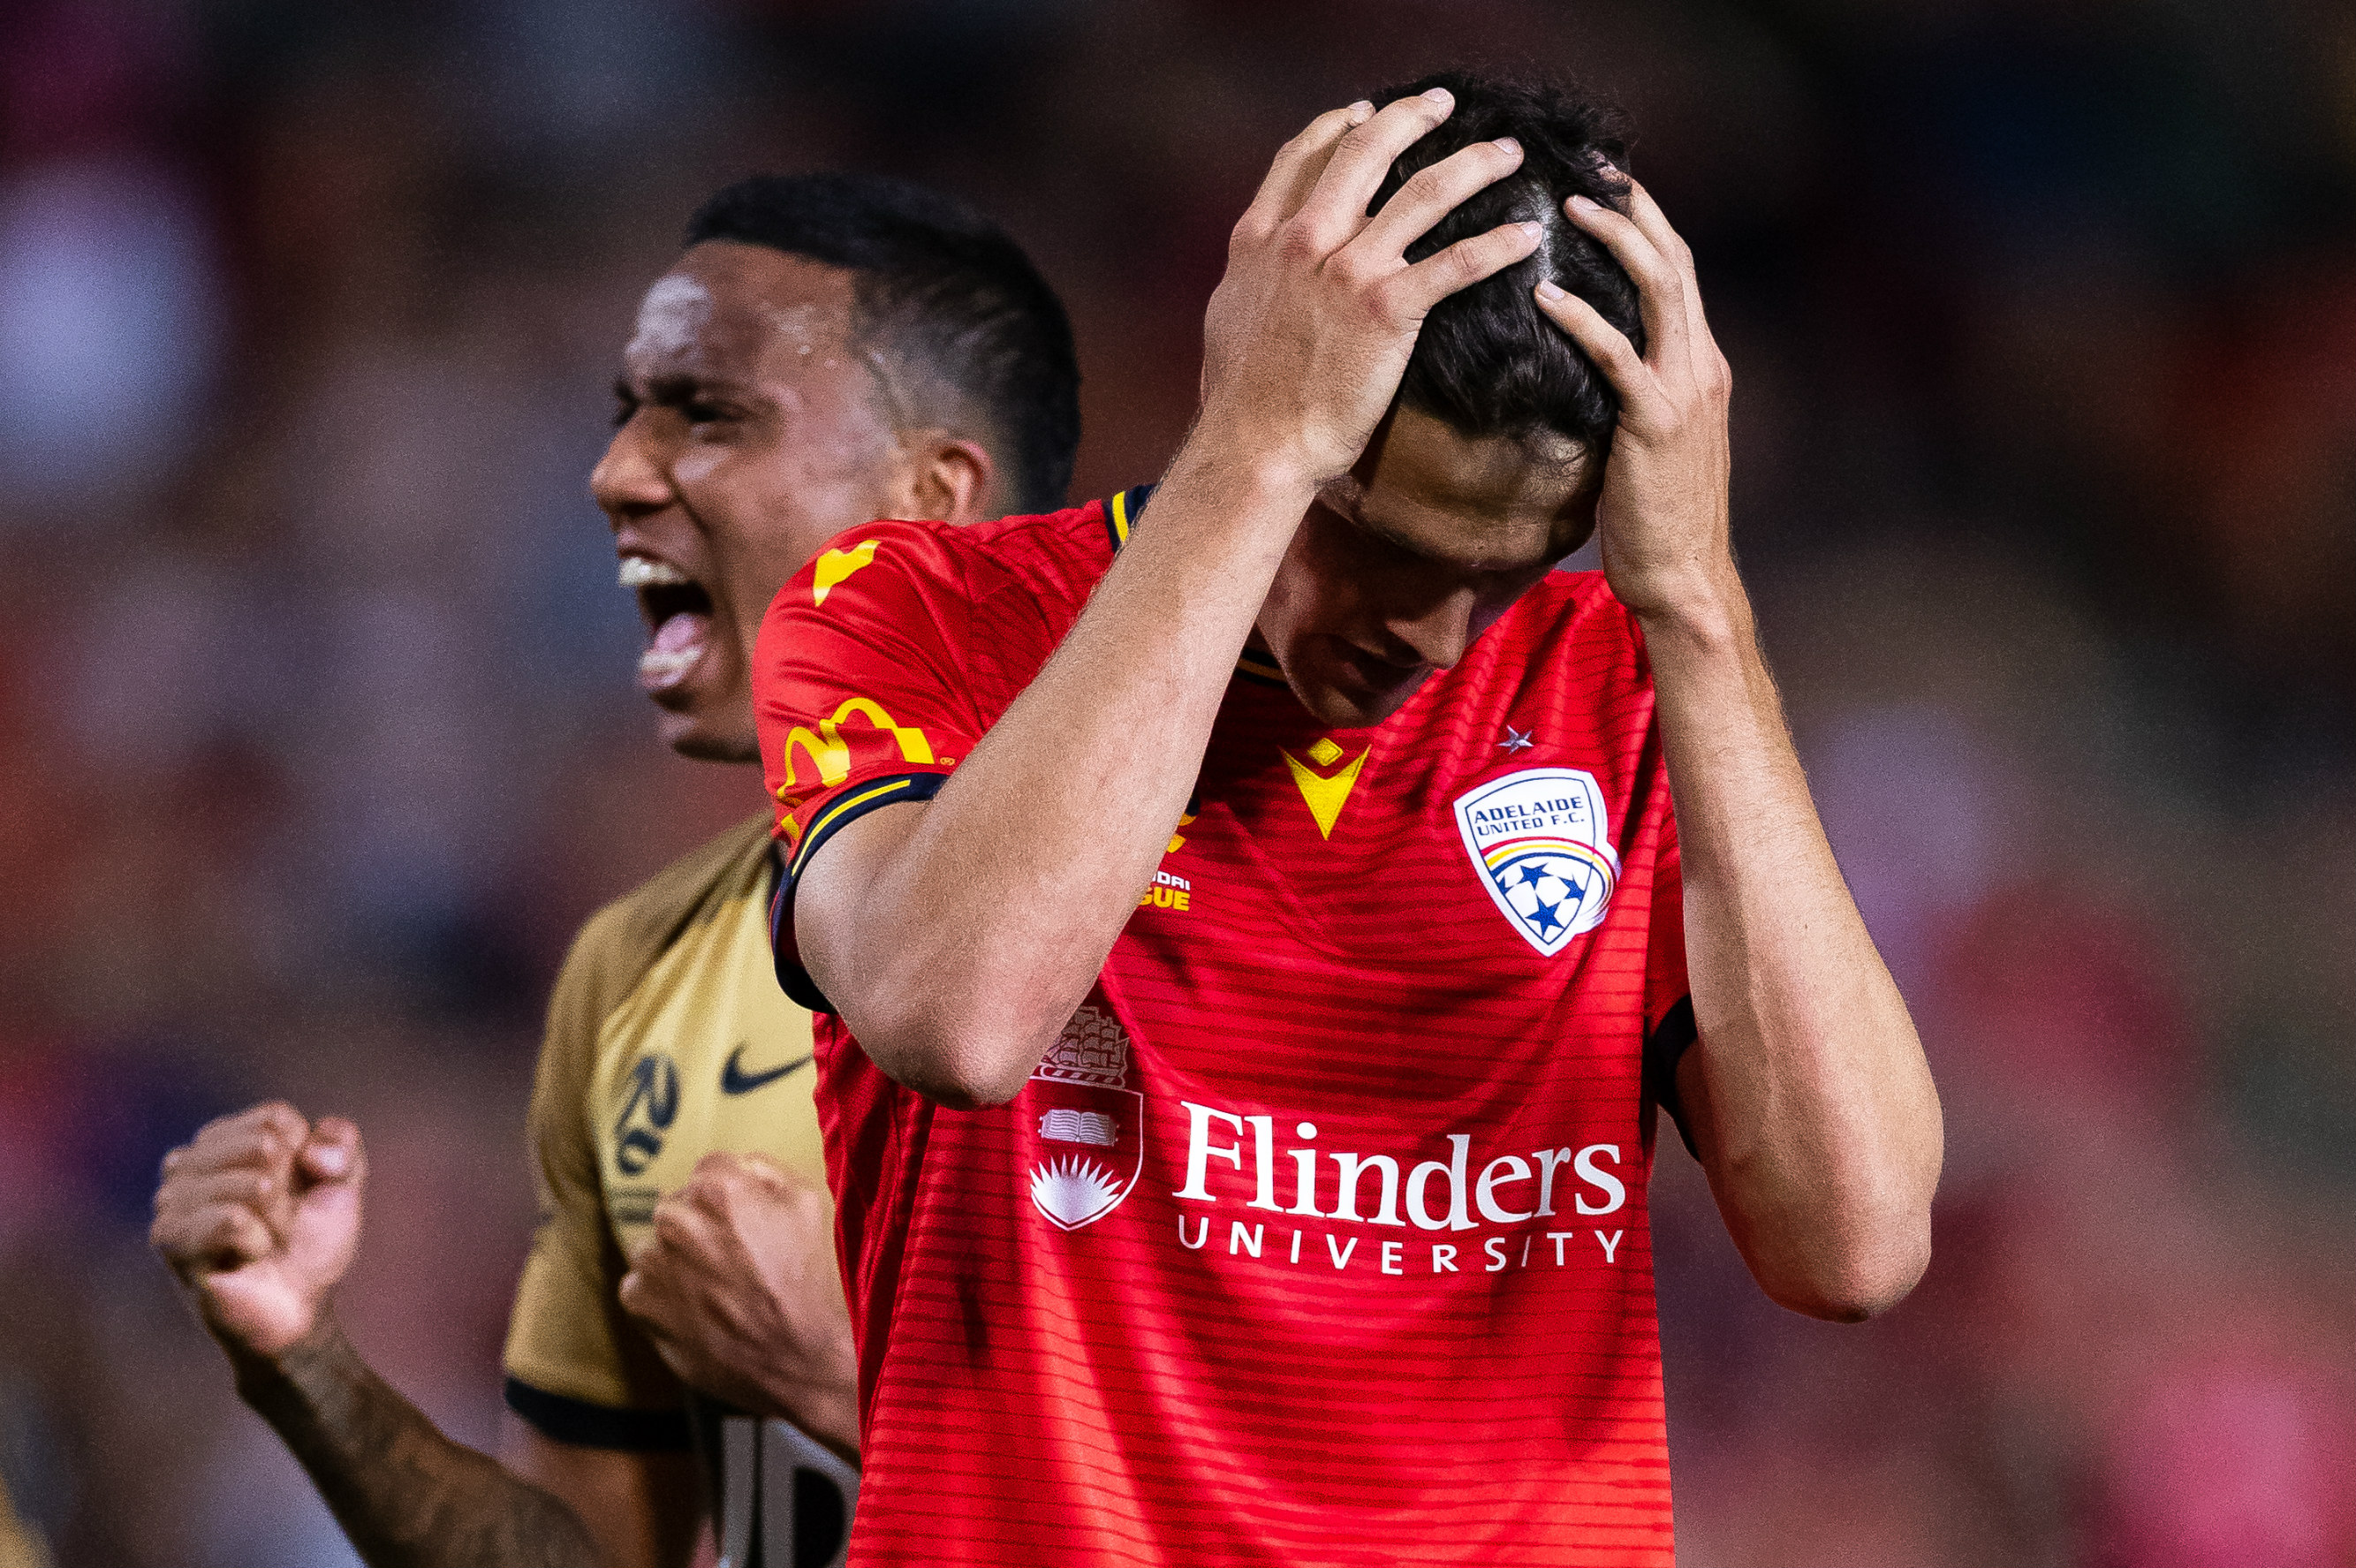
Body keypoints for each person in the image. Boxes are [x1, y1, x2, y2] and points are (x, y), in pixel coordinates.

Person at [755, 72, 1943, 1565]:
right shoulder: (919, 616)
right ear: (1257, 387)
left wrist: (1696, 605)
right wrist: (1251, 458)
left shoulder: (1632, 701)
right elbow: (961, 1016)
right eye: (1382, 547)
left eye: (1508, 569)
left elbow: (1859, 1241)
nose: (1438, 641)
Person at [148, 172, 1081, 1568]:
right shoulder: (639, 970)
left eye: (710, 415)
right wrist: (310, 1365)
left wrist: (838, 1387)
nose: (617, 475)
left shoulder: (1244, 921)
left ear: (932, 500)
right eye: (628, 416)